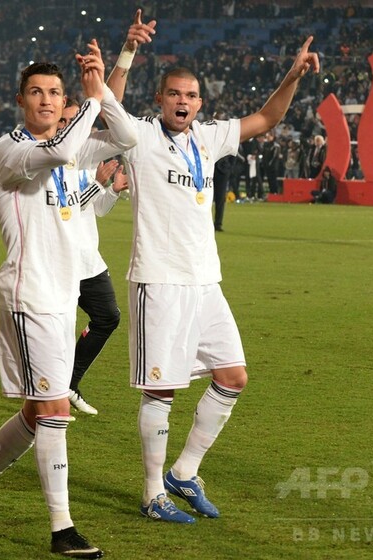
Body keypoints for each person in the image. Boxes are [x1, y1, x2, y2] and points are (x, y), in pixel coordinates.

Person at [107, 10, 318, 522]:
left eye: (191, 95)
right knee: (161, 388)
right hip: (159, 280)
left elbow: (266, 118)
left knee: (233, 376)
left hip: (206, 283)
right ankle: (152, 493)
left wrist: (292, 76)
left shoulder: (210, 136)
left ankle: (184, 472)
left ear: (200, 102)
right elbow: (106, 105)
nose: (183, 102)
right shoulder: (140, 136)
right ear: (160, 99)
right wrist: (128, 51)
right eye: (175, 94)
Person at [0, 40, 136, 559]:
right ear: (21, 100)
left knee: (37, 411)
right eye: (36, 92)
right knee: (53, 410)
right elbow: (64, 151)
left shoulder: (72, 147)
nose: (46, 100)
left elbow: (127, 137)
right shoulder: (11, 150)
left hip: (60, 297)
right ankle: (62, 529)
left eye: (54, 92)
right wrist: (91, 100)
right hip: (29, 297)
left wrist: (103, 87)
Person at [58, 99, 124, 416]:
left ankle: (69, 383)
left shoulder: (86, 160)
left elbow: (97, 210)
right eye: (65, 120)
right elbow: (65, 211)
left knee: (108, 317)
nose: (70, 126)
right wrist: (97, 184)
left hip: (89, 260)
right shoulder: (54, 160)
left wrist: (112, 191)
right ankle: (49, 394)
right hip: (62, 261)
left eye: (75, 120)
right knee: (58, 330)